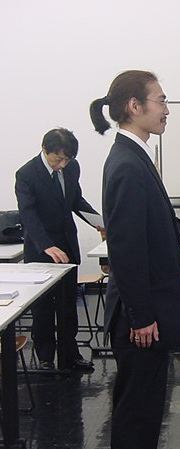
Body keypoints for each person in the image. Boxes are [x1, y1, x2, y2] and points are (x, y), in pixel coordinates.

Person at [90, 70, 180, 449]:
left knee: (144, 410)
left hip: (145, 310)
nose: (167, 110)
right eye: (161, 101)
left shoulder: (134, 155)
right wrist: (142, 316)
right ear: (135, 106)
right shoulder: (127, 164)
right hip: (141, 318)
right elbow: (127, 249)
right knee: (138, 413)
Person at [15, 128, 100, 372]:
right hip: (40, 249)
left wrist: (99, 222)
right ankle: (45, 358)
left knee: (67, 305)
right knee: (43, 308)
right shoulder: (26, 174)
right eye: (58, 159)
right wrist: (47, 245)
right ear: (45, 150)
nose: (62, 165)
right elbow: (28, 215)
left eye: (67, 160)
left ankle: (69, 356)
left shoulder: (72, 168)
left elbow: (76, 201)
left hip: (67, 246)